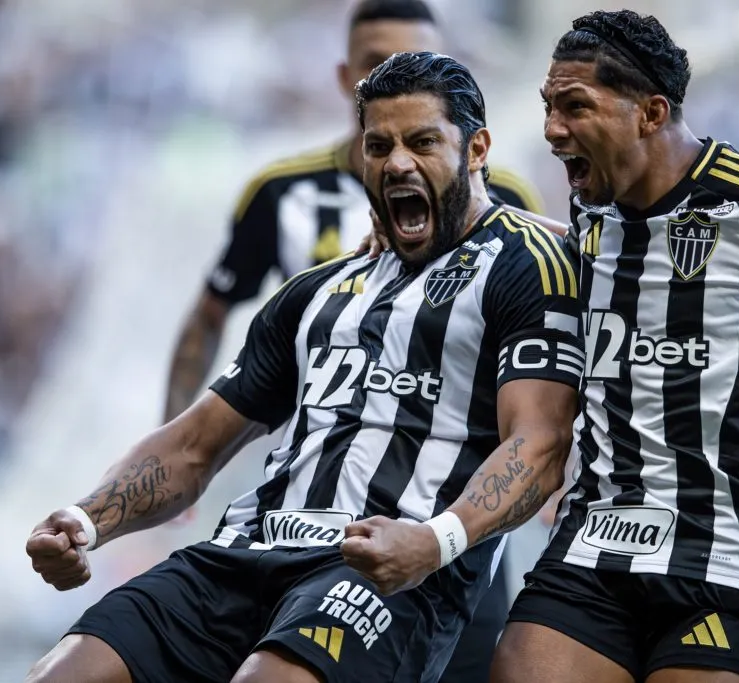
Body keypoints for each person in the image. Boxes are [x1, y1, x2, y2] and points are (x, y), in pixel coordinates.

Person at [24, 51, 582, 683]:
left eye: (423, 142)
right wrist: (84, 521)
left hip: (383, 570)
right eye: (380, 146)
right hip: (242, 553)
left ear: (476, 149)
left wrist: (434, 543)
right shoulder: (317, 290)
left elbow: (539, 444)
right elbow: (194, 444)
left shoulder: (531, 264)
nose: (398, 162)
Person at [162, 2, 546, 680]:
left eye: (416, 60)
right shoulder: (283, 193)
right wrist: (179, 441)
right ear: (346, 76)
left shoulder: (500, 197)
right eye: (377, 63)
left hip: (446, 507)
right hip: (308, 498)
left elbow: (550, 324)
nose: (397, 71)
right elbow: (208, 315)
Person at [485, 10, 739, 683]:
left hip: (727, 556)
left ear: (651, 113)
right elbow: (557, 247)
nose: (552, 129)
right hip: (594, 549)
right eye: (549, 106)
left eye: (574, 106)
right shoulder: (591, 210)